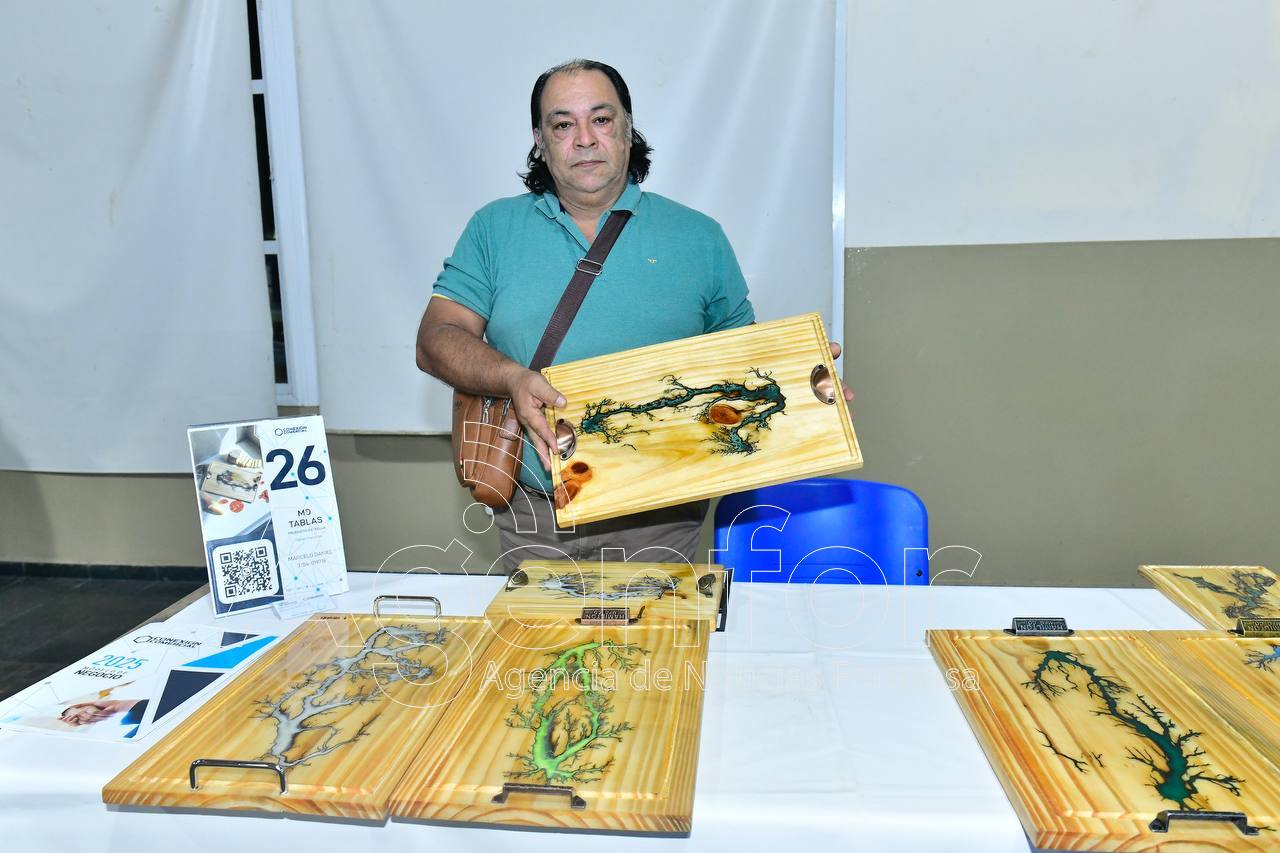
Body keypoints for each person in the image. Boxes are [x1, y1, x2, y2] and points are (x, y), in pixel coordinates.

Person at [415, 59, 851, 573]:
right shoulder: (494, 229)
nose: (584, 139)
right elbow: (436, 339)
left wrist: (800, 386)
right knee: (540, 629)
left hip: (661, 514)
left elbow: (741, 365)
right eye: (563, 124)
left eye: (601, 119)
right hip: (535, 511)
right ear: (540, 141)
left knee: (652, 630)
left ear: (627, 129)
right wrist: (512, 377)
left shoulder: (699, 237)